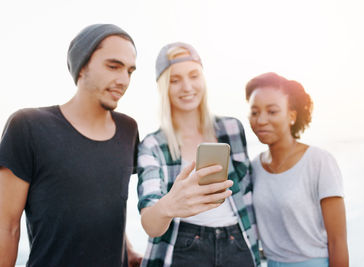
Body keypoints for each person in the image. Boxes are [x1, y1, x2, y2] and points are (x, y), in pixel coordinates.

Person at [0, 24, 142, 267]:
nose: (123, 80)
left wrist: (128, 250)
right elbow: (6, 226)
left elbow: (106, 204)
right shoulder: (28, 126)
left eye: (130, 71)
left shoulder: (129, 130)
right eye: (113, 66)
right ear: (82, 65)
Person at [137, 42, 260, 267]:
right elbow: (150, 224)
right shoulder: (152, 145)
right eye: (175, 80)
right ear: (163, 87)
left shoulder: (232, 129)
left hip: (238, 243)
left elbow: (249, 193)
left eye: (194, 76)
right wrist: (170, 205)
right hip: (184, 247)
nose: (187, 87)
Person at [245, 72, 349, 267]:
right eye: (255, 112)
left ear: (292, 115)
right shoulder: (254, 167)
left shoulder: (319, 162)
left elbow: (338, 242)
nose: (261, 120)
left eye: (272, 111)